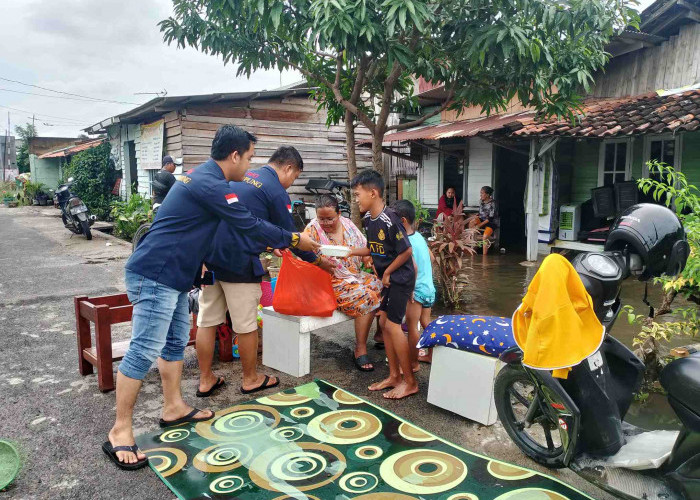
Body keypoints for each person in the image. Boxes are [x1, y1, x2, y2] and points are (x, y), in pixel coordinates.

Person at [102, 125, 318, 471]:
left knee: (173, 344)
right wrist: (294, 240)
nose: (249, 167)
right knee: (143, 349)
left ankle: (173, 407)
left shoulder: (200, 177)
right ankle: (120, 431)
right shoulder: (211, 184)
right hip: (156, 272)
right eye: (248, 158)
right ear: (234, 156)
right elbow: (248, 223)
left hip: (175, 274)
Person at [196, 146, 332, 396]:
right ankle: (250, 379)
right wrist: (319, 262)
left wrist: (271, 244)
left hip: (211, 256)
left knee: (207, 321)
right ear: (289, 168)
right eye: (294, 177)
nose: (291, 184)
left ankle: (205, 380)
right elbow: (294, 238)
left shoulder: (241, 178)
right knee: (245, 324)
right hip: (240, 262)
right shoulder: (275, 191)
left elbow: (250, 222)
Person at [350, 170, 417, 400]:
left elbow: (407, 251)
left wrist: (387, 271)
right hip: (388, 279)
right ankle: (394, 376)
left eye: (358, 194)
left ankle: (410, 382)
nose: (356, 199)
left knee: (393, 326)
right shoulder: (369, 220)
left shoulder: (391, 219)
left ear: (373, 192)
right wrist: (348, 252)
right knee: (384, 321)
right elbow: (372, 248)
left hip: (399, 279)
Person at [305, 194, 383, 371]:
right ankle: (360, 348)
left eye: (329, 218)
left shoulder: (348, 224)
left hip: (353, 275)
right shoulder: (311, 230)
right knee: (366, 296)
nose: (325, 223)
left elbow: (363, 248)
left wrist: (367, 260)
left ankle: (380, 333)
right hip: (328, 281)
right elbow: (304, 256)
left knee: (381, 285)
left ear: (339, 214)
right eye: (321, 218)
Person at [392, 199, 436, 368]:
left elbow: (414, 267)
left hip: (415, 291)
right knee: (426, 323)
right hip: (428, 288)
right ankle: (430, 356)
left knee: (412, 328)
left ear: (402, 221)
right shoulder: (419, 237)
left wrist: (410, 290)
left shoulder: (406, 242)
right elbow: (431, 258)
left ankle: (413, 363)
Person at [468, 185, 497, 255]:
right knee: (472, 221)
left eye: (482, 193)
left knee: (485, 237)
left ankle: (484, 256)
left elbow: (490, 218)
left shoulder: (493, 203)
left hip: (491, 223)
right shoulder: (481, 201)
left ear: (487, 195)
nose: (480, 195)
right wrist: (476, 216)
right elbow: (481, 213)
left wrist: (479, 225)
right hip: (482, 220)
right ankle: (472, 245)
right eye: (480, 193)